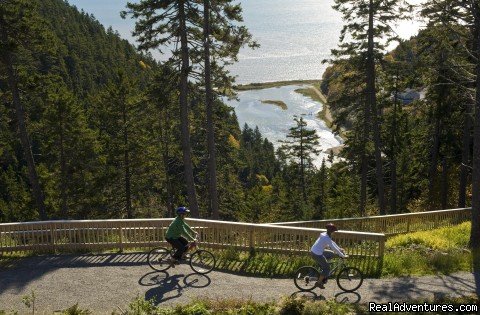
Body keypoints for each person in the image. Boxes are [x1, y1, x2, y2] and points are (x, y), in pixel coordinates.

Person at [310, 223, 347, 288]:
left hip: (316, 251)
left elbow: (332, 243)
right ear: (330, 231)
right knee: (327, 268)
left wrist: (339, 249)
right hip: (316, 254)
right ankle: (318, 283)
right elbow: (333, 247)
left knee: (331, 253)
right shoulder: (326, 237)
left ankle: (323, 272)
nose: (333, 233)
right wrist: (342, 255)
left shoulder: (325, 234)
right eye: (333, 231)